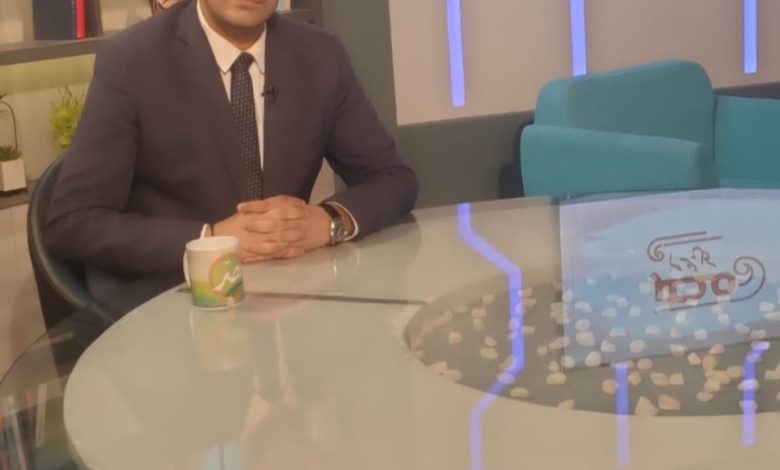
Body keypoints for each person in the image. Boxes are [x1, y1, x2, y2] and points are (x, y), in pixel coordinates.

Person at [45, 0, 418, 301]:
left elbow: (393, 179)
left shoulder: (321, 56)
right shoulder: (132, 60)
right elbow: (72, 222)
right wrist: (210, 239)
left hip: (288, 301)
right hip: (169, 302)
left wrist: (327, 223)